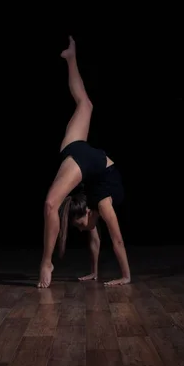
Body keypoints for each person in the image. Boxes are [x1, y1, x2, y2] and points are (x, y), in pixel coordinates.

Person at [37, 36, 131, 288]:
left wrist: (94, 271)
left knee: (85, 104)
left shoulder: (93, 203)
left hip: (83, 153)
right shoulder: (103, 203)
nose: (82, 229)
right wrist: (125, 276)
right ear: (88, 212)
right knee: (86, 104)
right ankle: (47, 262)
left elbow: (94, 239)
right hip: (83, 156)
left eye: (78, 226)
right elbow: (116, 239)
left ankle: (71, 58)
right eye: (81, 225)